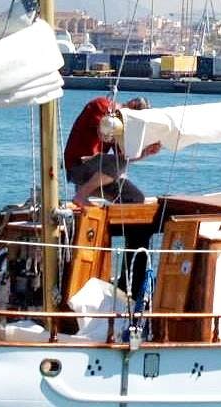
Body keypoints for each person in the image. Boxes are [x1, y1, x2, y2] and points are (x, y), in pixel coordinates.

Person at [63, 96, 160, 301]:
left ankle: (128, 280)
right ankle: (82, 195)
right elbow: (103, 133)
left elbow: (124, 156)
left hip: (97, 172)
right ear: (130, 108)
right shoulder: (103, 106)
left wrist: (145, 152)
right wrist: (122, 131)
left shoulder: (120, 125)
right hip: (79, 167)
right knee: (118, 164)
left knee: (135, 199)